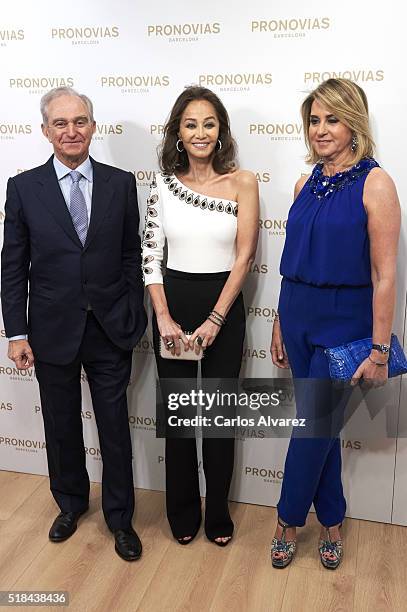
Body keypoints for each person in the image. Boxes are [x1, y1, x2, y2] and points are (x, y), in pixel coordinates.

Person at [1, 87, 147, 561]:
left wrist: (130, 310)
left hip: (110, 327)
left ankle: (121, 519)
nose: (71, 131)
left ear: (93, 126)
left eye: (80, 121)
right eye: (60, 123)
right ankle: (69, 504)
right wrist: (17, 332)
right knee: (62, 426)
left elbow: (131, 254)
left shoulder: (121, 182)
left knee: (114, 428)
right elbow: (13, 265)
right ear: (45, 131)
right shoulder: (23, 188)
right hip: (50, 330)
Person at [270, 78, 400, 569]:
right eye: (314, 119)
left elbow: (385, 275)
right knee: (319, 428)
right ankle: (333, 519)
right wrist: (280, 322)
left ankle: (286, 519)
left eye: (332, 119)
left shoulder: (377, 183)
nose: (320, 129)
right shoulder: (305, 183)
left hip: (344, 322)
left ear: (354, 123)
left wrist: (380, 349)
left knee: (310, 427)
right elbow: (290, 261)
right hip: (297, 313)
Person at [142, 86, 259, 545]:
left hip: (223, 306)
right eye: (191, 124)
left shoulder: (243, 182)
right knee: (179, 421)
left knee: (217, 421)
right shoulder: (162, 185)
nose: (200, 133)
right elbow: (150, 254)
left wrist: (215, 319)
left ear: (221, 130)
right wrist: (164, 318)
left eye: (209, 123)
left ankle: (218, 516)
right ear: (178, 132)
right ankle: (181, 513)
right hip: (172, 302)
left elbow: (244, 257)